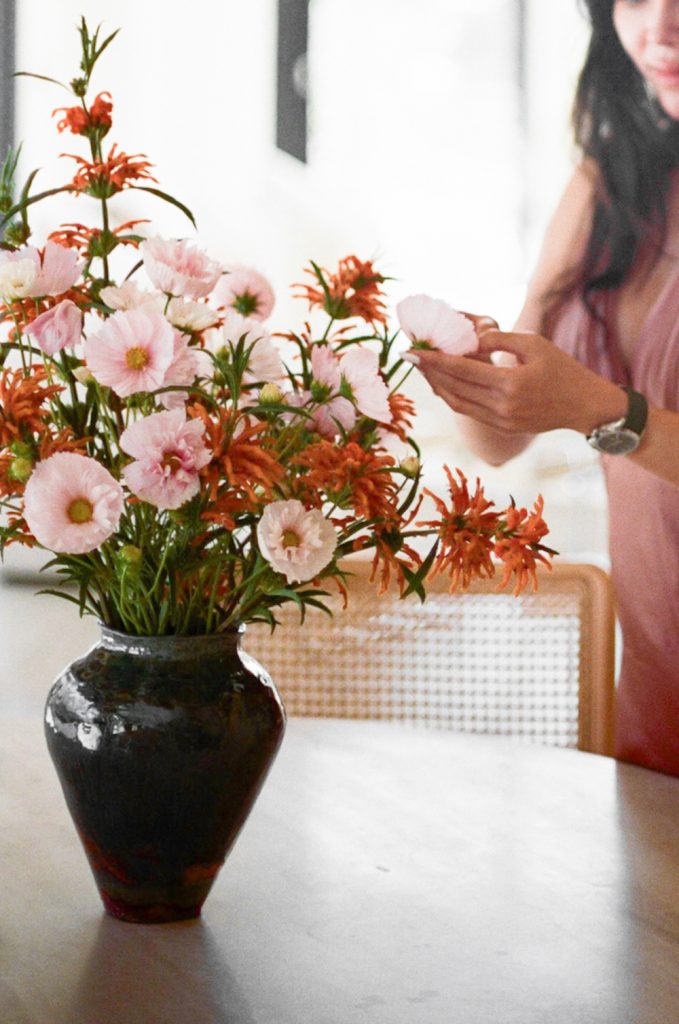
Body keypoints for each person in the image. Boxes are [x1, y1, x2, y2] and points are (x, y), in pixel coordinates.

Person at [407, 0, 679, 776]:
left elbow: (592, 410)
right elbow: (499, 442)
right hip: (654, 698)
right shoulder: (609, 187)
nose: (656, 28)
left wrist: (601, 410)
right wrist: (467, 364)